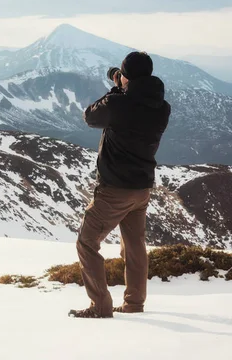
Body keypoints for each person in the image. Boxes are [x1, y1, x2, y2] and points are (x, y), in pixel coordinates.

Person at [69, 51, 171, 319]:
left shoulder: (118, 103)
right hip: (142, 189)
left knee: (86, 243)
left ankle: (100, 306)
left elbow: (90, 116)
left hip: (115, 189)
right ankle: (134, 304)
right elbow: (135, 107)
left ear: (125, 77)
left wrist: (115, 90)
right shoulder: (162, 107)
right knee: (134, 245)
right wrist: (123, 88)